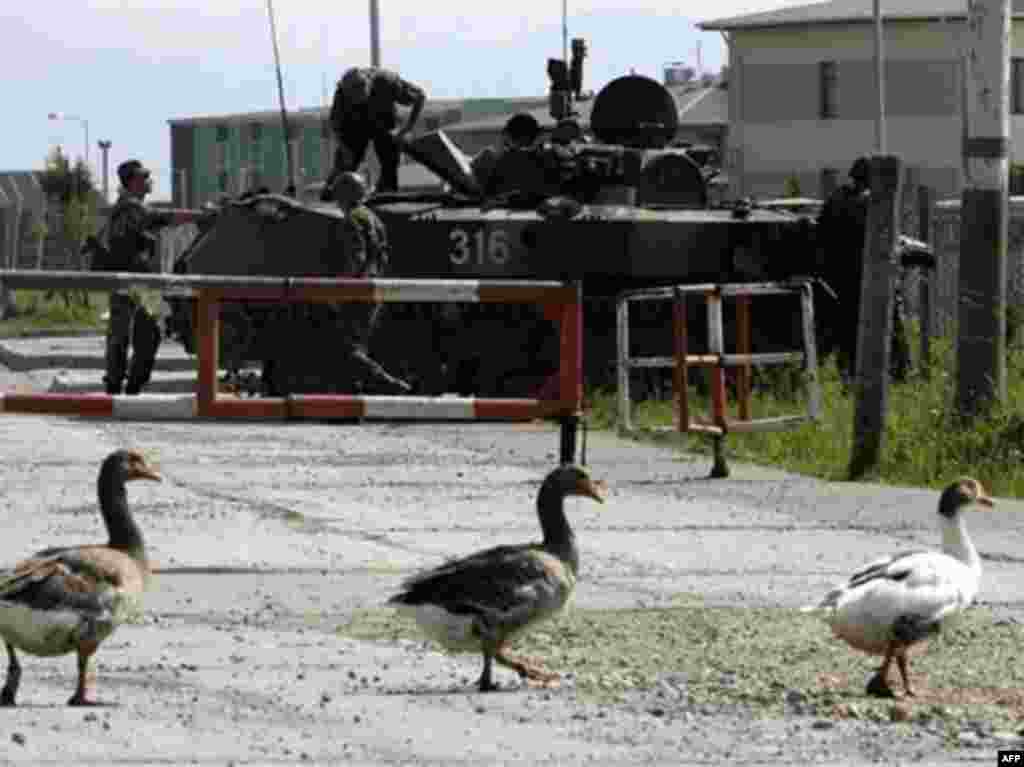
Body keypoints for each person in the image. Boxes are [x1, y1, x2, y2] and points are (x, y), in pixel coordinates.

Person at [101, 160, 206, 395]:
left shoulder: (132, 207)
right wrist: (199, 216)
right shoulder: (130, 208)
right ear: (132, 181)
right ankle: (120, 385)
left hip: (141, 281)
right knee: (124, 333)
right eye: (143, 176)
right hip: (130, 281)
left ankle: (127, 384)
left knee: (148, 329)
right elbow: (163, 217)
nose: (148, 180)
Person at [815, 156, 911, 382]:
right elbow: (883, 240)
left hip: (837, 280)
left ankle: (849, 375)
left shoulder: (836, 199)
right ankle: (897, 373)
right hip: (867, 277)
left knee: (847, 334)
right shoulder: (868, 204)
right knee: (889, 326)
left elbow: (822, 234)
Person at [323, 67, 426, 197]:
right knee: (346, 162)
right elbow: (335, 125)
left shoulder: (386, 82)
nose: (356, 101)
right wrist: (345, 150)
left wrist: (407, 129)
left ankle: (387, 191)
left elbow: (420, 96)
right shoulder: (342, 93)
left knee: (389, 156)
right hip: (354, 125)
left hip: (383, 121)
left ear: (368, 87)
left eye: (360, 97)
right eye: (353, 99)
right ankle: (333, 192)